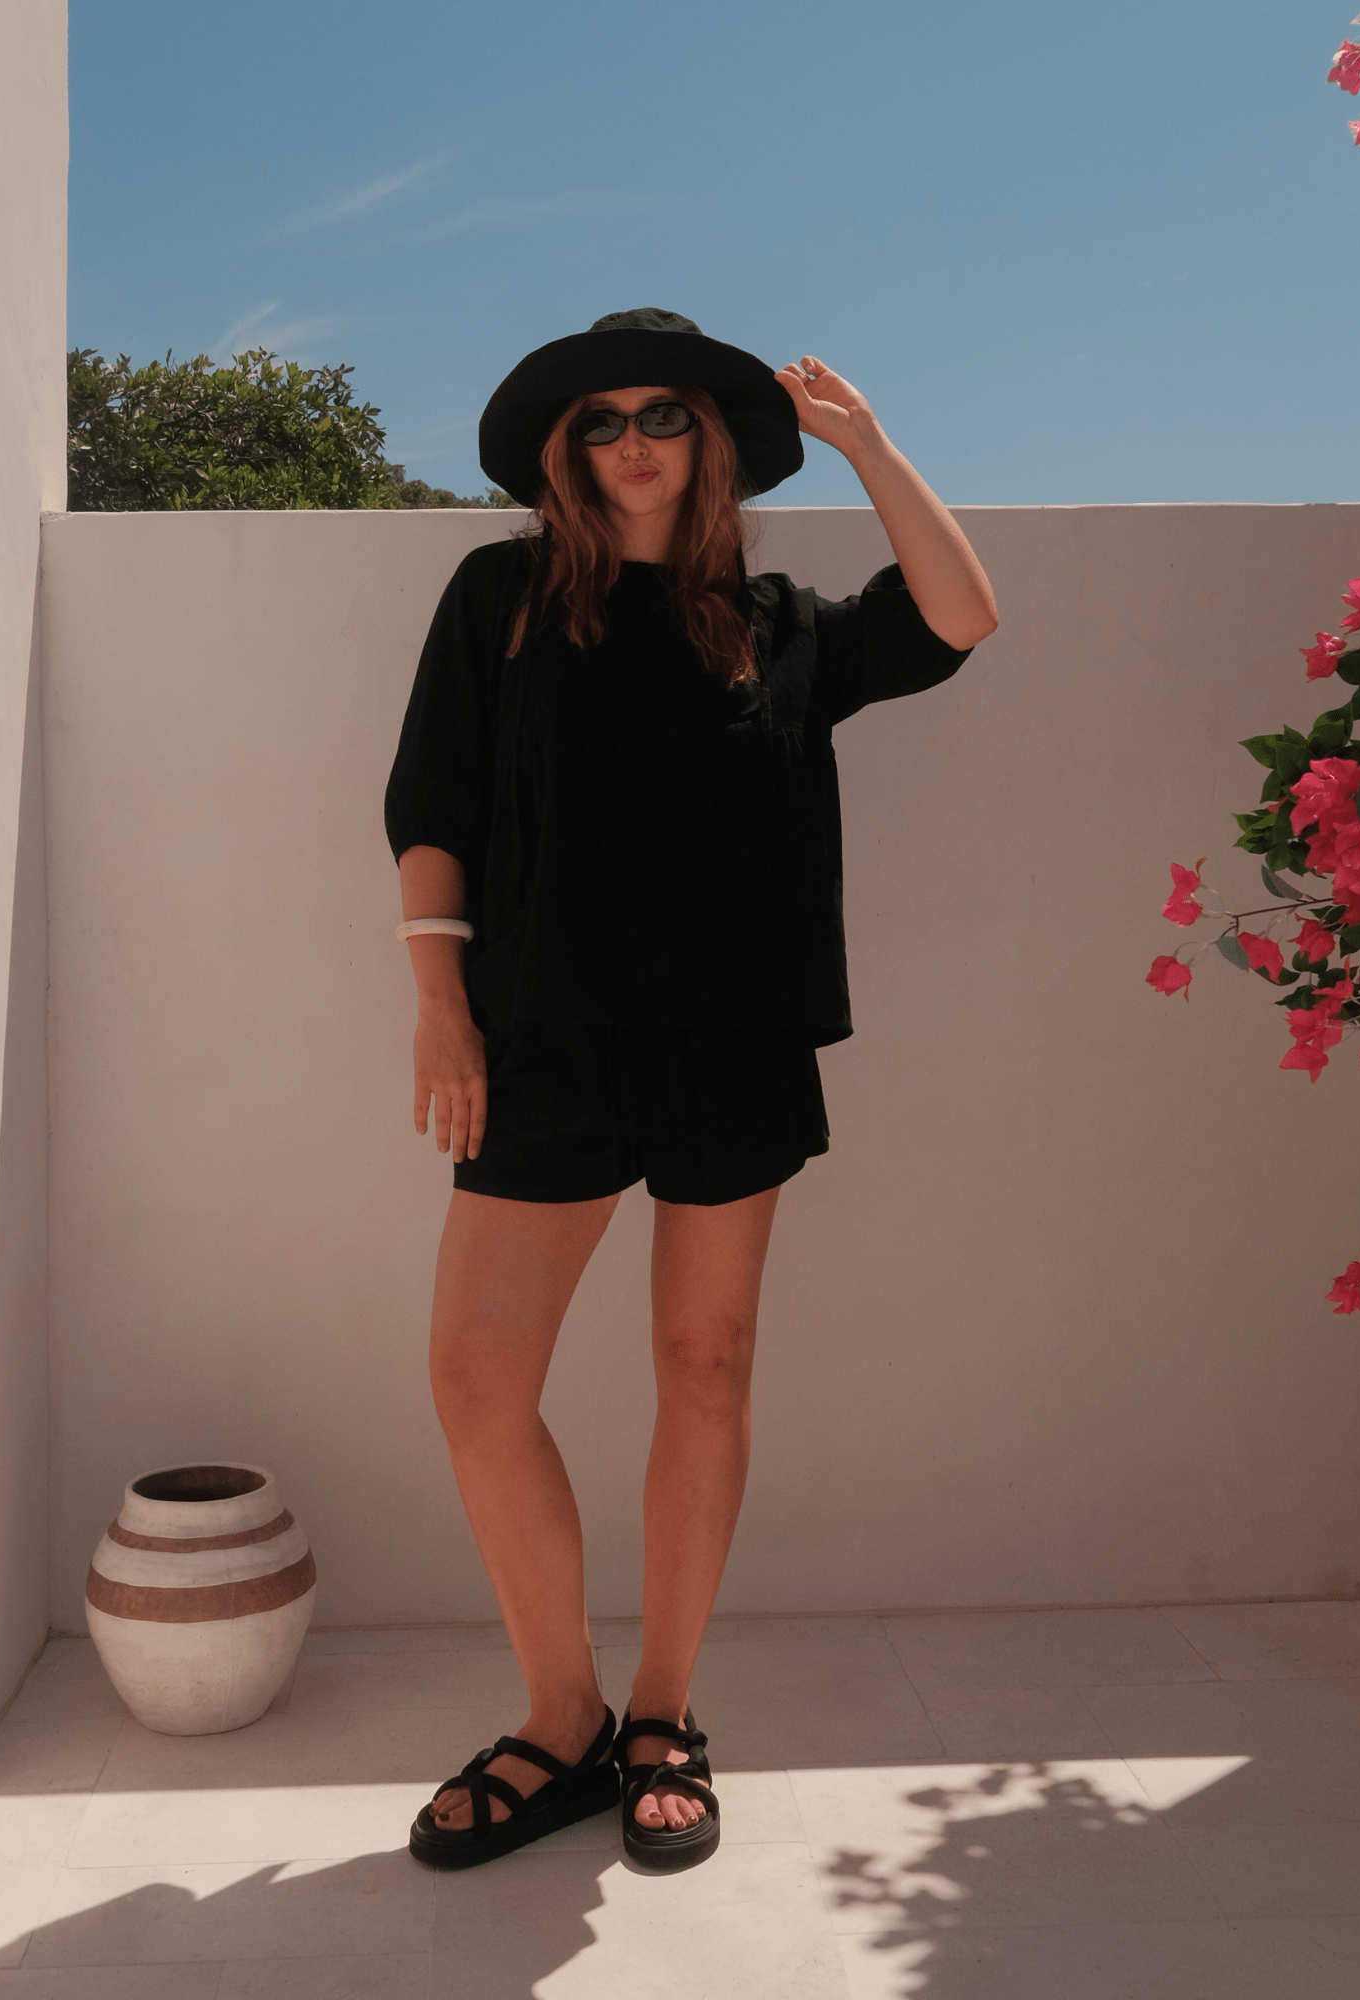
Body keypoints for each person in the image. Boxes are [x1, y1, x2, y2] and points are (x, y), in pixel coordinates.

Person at [385, 308, 997, 1873]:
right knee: (475, 1379)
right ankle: (559, 1717)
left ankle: (664, 1714)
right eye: (601, 420)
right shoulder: (500, 596)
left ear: (710, 442)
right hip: (543, 1040)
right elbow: (433, 803)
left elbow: (961, 615)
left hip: (731, 1042)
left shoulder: (778, 619)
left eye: (665, 413)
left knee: (704, 1367)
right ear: (563, 453)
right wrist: (440, 1013)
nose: (635, 439)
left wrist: (865, 446)